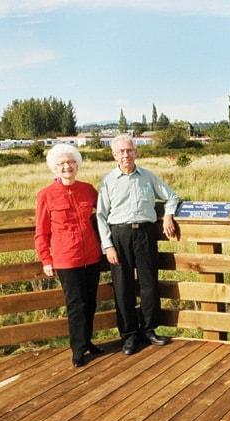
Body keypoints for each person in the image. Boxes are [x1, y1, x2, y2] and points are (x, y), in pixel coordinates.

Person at [96, 134, 180, 355]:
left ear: (136, 152)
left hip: (145, 233)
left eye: (129, 150)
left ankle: (149, 330)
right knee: (123, 287)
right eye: (121, 151)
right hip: (119, 236)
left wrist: (168, 216)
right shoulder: (108, 181)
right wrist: (108, 245)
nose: (126, 155)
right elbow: (101, 216)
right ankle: (130, 336)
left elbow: (172, 196)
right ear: (114, 155)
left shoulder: (148, 177)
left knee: (149, 283)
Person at [35, 144, 104, 367]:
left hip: (91, 256)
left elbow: (106, 211)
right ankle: (77, 349)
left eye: (71, 162)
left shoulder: (87, 189)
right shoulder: (46, 195)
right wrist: (46, 258)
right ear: (55, 168)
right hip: (66, 258)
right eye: (62, 163)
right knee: (76, 304)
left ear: (77, 164)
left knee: (91, 301)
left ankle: (87, 341)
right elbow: (41, 231)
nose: (67, 167)